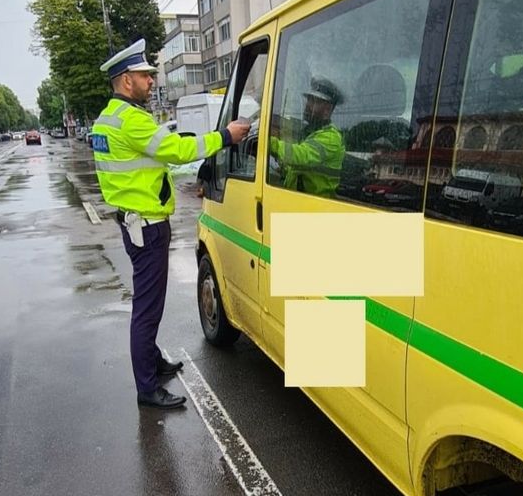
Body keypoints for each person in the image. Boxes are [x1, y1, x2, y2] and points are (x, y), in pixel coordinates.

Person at [92, 39, 250, 409]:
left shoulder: (107, 119)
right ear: (126, 79)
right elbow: (177, 150)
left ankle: (154, 362)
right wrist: (226, 136)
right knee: (147, 309)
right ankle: (147, 387)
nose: (151, 81)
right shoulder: (130, 121)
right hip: (145, 227)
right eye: (145, 75)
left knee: (151, 305)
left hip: (134, 222)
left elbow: (160, 155)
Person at [269, 76, 346, 197]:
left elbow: (300, 156)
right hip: (300, 202)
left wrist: (268, 143)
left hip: (316, 209)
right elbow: (299, 168)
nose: (308, 105)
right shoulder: (311, 132)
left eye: (315, 101)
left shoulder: (331, 137)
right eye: (309, 99)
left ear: (327, 109)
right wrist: (282, 168)